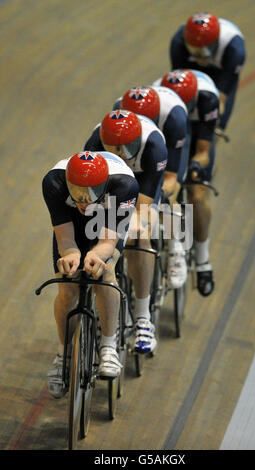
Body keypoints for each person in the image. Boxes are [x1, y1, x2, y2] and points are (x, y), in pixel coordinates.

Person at [42, 150, 139, 398]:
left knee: (105, 276)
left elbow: (108, 241)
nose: (84, 201)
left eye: (91, 194)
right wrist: (71, 254)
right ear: (68, 184)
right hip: (73, 221)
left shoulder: (124, 186)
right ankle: (63, 353)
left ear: (103, 186)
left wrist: (98, 256)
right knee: (67, 286)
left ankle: (108, 346)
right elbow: (65, 237)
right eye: (78, 194)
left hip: (108, 216)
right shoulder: (53, 182)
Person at [84, 110, 168, 353]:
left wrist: (132, 225)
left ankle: (143, 319)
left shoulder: (153, 145)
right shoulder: (94, 142)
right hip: (112, 184)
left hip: (142, 182)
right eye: (114, 148)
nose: (120, 153)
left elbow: (141, 208)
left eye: (125, 148)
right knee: (99, 237)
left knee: (140, 234)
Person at [113, 85, 189, 289]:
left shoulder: (174, 119)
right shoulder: (118, 114)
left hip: (163, 150)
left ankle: (176, 248)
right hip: (134, 150)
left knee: (168, 193)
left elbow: (170, 176)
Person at [155, 69, 219, 296]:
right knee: (168, 185)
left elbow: (203, 151)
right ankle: (170, 240)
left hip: (196, 129)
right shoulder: (158, 100)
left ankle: (203, 261)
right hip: (169, 132)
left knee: (196, 193)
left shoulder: (208, 100)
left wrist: (195, 166)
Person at [170, 12, 246, 132]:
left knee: (218, 114)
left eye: (203, 51)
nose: (200, 57)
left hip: (222, 68)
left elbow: (222, 96)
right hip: (191, 63)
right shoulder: (178, 42)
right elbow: (177, 83)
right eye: (195, 50)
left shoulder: (235, 50)